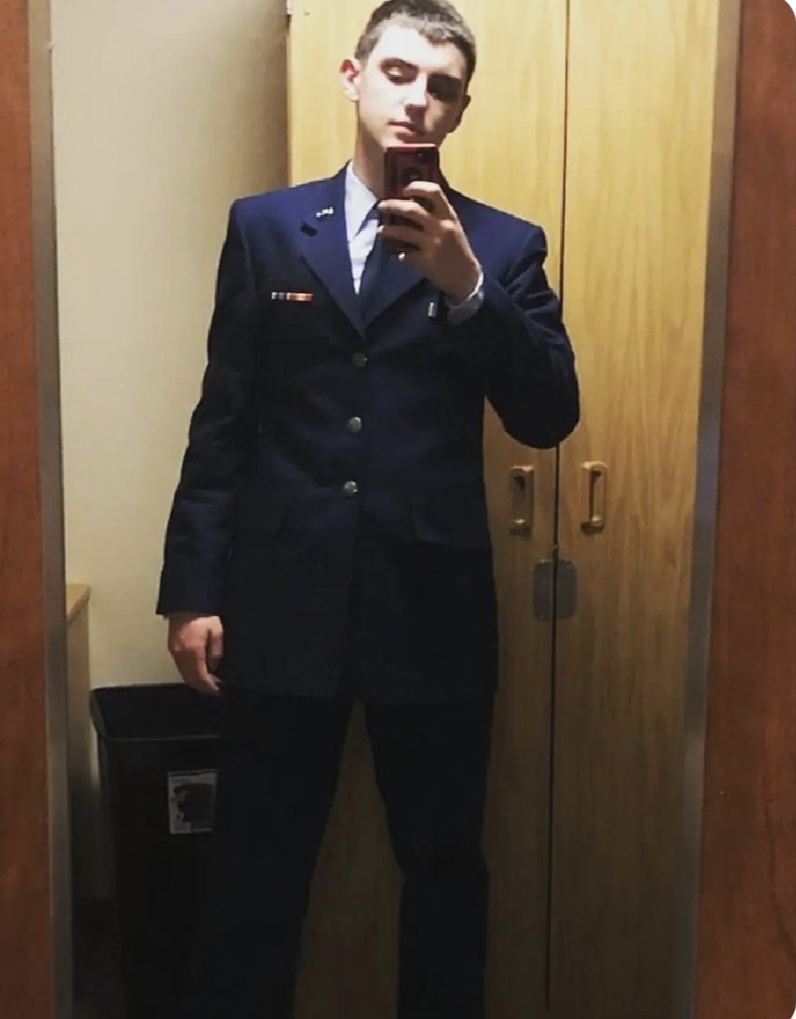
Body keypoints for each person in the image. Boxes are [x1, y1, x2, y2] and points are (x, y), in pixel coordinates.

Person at [157, 1, 578, 1016]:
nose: (416, 99)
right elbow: (225, 420)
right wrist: (193, 588)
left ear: (460, 111)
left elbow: (548, 414)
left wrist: (468, 288)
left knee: (443, 867)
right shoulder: (266, 228)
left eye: (441, 87)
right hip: (279, 601)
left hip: (430, 609)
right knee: (255, 870)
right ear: (352, 77)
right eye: (397, 72)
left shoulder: (502, 246)